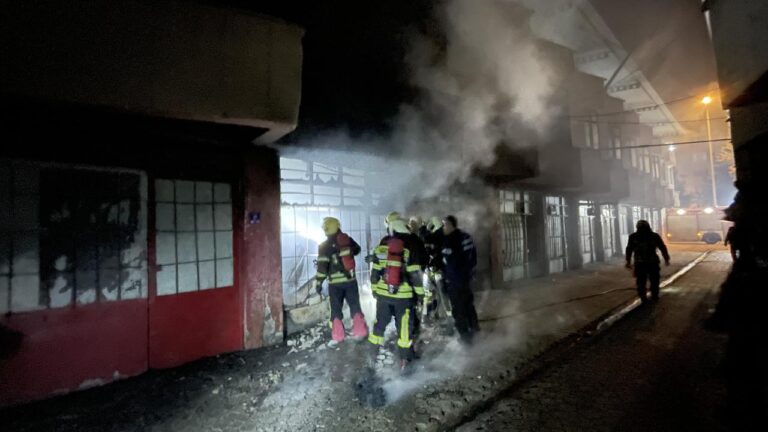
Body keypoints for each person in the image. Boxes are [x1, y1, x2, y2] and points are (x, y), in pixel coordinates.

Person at [367, 212, 425, 369]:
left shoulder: (380, 249)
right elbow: (414, 275)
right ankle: (405, 362)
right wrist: (420, 294)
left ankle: (371, 356)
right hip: (404, 297)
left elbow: (374, 274)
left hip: (383, 296)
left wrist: (375, 290)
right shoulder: (408, 250)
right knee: (404, 329)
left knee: (379, 326)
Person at [315, 217, 368, 347]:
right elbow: (358, 250)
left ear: (326, 229)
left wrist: (318, 282)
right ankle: (360, 331)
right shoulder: (346, 239)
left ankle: (338, 336)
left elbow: (322, 267)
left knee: (336, 309)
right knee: (355, 305)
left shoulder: (323, 246)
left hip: (335, 284)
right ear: (337, 226)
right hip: (350, 280)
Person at [441, 215, 479, 343]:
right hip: (465, 279)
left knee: (458, 309)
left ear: (451, 225)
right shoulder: (465, 237)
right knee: (468, 304)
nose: (443, 228)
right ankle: (475, 329)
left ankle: (466, 338)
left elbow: (449, 261)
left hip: (456, 280)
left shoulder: (451, 240)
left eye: (444, 225)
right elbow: (473, 257)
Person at [624, 219, 670, 303]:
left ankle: (643, 297)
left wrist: (628, 261)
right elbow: (662, 247)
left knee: (642, 281)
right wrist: (666, 259)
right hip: (651, 263)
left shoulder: (633, 236)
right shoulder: (654, 236)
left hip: (640, 263)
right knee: (654, 280)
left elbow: (629, 250)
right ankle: (654, 296)